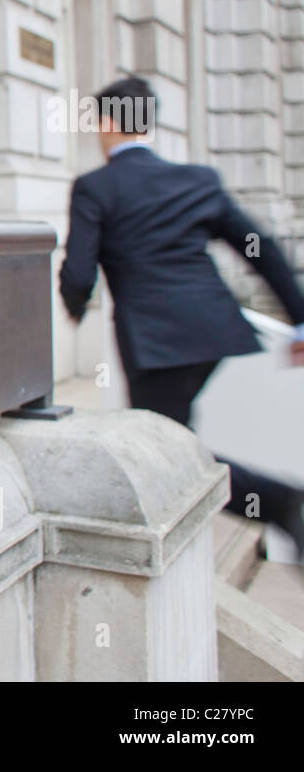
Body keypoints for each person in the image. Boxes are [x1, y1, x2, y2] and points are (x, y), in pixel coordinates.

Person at [59, 75, 304, 557]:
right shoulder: (196, 180)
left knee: (161, 449)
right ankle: (268, 507)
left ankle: (279, 503)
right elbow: (262, 249)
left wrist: (70, 304)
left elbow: (79, 274)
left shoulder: (95, 187)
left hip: (155, 343)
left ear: (110, 123)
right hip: (212, 330)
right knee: (171, 440)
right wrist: (300, 320)